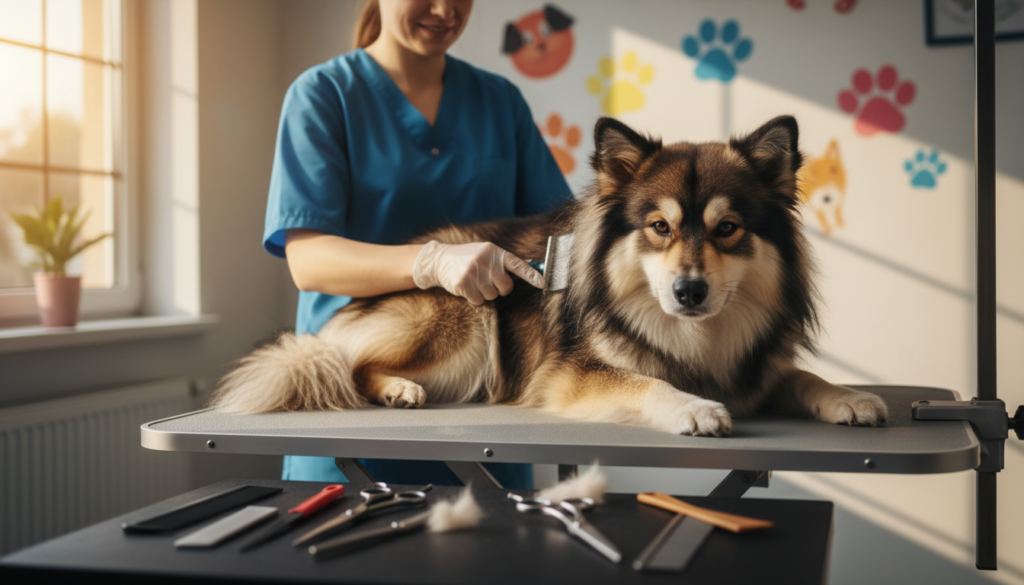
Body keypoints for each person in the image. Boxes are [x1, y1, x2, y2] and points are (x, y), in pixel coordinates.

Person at [263, 0, 572, 488]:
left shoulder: (500, 102)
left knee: (495, 556)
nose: (445, 9)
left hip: (484, 408)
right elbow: (309, 261)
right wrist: (431, 262)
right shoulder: (324, 95)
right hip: (357, 404)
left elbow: (561, 237)